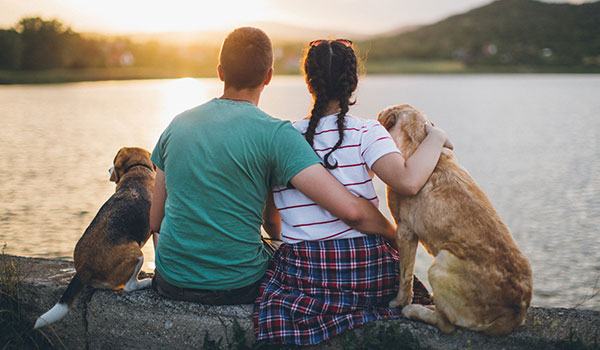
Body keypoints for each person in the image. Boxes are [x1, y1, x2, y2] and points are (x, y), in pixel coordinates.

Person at [148, 28, 396, 305]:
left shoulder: (177, 124)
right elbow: (351, 210)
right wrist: (393, 234)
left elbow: (155, 221)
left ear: (220, 72)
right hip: (237, 285)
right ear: (269, 76)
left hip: (170, 280)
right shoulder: (275, 134)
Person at [254, 39, 452, 345]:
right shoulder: (367, 132)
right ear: (353, 82)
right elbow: (409, 182)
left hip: (305, 273)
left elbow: (272, 223)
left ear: (309, 83)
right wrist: (436, 135)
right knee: (413, 291)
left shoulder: (285, 137)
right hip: (365, 269)